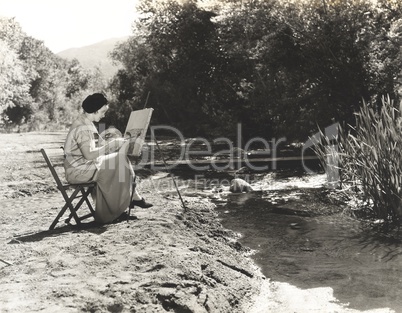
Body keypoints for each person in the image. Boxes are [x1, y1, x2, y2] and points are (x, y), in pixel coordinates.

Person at [63, 93, 152, 224]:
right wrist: (111, 145)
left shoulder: (84, 121)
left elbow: (94, 147)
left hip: (82, 166)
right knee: (119, 161)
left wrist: (113, 143)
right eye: (103, 111)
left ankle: (127, 201)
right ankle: (124, 204)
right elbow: (88, 155)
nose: (104, 115)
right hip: (78, 171)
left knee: (120, 160)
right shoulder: (82, 127)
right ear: (95, 110)